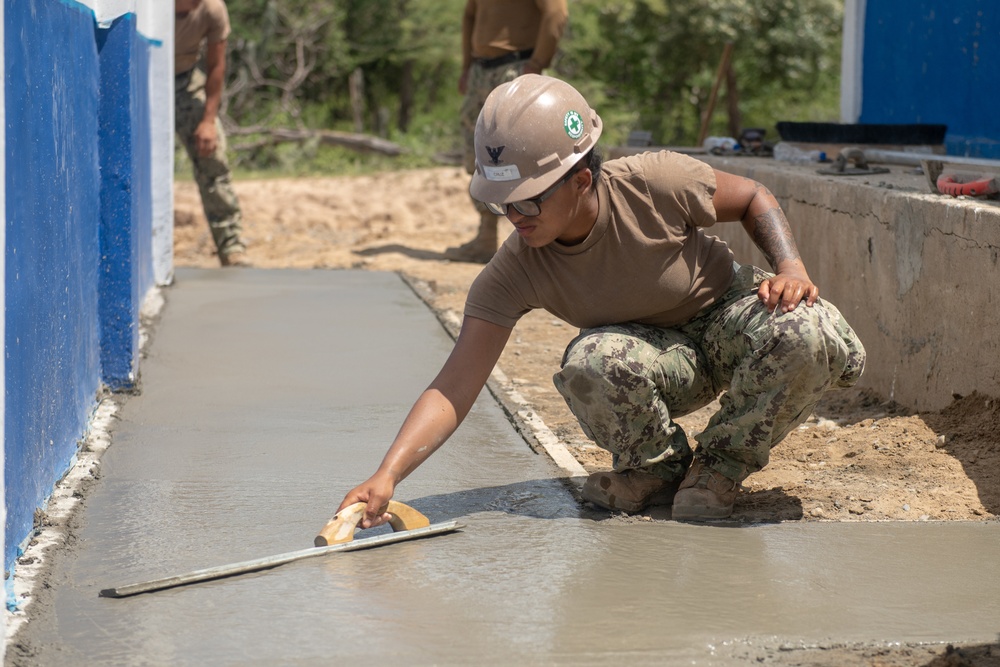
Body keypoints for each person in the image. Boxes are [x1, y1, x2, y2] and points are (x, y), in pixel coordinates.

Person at [339, 75, 866, 525]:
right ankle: (655, 471)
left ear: (581, 180)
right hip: (660, 356)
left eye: (526, 201)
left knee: (802, 329)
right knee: (591, 362)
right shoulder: (516, 269)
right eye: (502, 205)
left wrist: (790, 268)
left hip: (728, 317)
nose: (515, 218)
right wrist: (387, 474)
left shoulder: (656, 182)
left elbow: (753, 196)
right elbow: (455, 385)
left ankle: (720, 469)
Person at [444, 0, 569, 264]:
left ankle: (533, 243)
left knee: (520, 156)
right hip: (481, 69)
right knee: (478, 151)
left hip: (516, 66)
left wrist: (537, 63)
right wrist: (467, 66)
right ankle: (486, 236)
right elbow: (470, 16)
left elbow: (556, 13)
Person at [174, 0, 249, 267]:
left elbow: (217, 65)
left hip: (185, 81)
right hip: (143, 76)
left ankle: (231, 245)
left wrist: (207, 120)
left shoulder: (212, 9)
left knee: (212, 159)